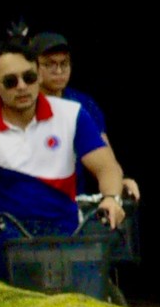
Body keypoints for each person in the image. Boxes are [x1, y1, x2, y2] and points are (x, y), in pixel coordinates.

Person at [0, 35, 129, 264]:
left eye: (29, 77)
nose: (22, 87)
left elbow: (107, 168)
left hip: (66, 233)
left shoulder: (72, 114)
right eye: (10, 81)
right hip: (8, 237)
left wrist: (111, 199)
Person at [33, 32, 135, 203]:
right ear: (33, 67)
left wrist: (118, 181)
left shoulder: (82, 103)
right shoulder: (22, 103)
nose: (58, 71)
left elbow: (105, 155)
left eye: (64, 64)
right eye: (50, 64)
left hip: (71, 201)